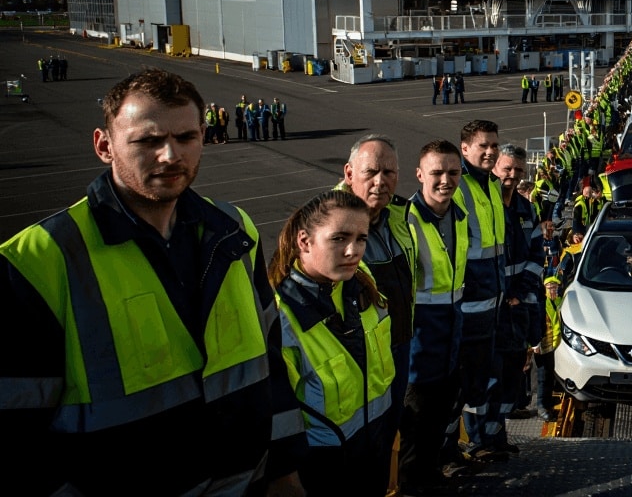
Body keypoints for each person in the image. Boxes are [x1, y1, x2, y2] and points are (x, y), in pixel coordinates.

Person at [0, 68, 305, 496]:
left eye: (186, 138)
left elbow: (270, 360)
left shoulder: (235, 231)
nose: (170, 156)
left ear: (204, 135)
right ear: (104, 146)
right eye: (148, 140)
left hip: (245, 484)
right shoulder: (38, 259)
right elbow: (15, 431)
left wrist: (284, 469)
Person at [269, 190, 396, 496]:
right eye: (339, 238)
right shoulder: (281, 317)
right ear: (304, 241)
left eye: (361, 239)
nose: (353, 251)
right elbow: (271, 418)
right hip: (323, 468)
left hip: (375, 447)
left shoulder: (363, 284)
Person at [341, 134, 416, 470]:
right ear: (349, 173)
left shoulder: (398, 218)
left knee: (385, 440)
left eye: (389, 173)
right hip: (355, 363)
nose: (380, 181)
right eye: (371, 172)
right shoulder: (327, 226)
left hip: (397, 350)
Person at [401, 139, 469, 495]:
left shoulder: (459, 215)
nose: (446, 180)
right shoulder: (406, 221)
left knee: (438, 420)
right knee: (415, 424)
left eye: (453, 172)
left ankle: (430, 477)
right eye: (437, 173)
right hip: (420, 343)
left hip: (449, 339)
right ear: (419, 175)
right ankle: (413, 486)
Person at [453, 119, 508, 460]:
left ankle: (487, 442)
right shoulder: (459, 186)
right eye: (482, 146)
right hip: (471, 306)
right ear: (465, 149)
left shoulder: (491, 184)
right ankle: (470, 444)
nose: (490, 152)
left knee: (489, 379)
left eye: (494, 146)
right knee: (470, 385)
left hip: (494, 303)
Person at [484, 143, 543, 456]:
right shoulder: (486, 207)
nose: (512, 175)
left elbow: (536, 256)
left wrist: (520, 293)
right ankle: (484, 442)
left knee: (509, 379)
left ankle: (498, 439)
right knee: (486, 381)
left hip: (516, 311)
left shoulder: (526, 209)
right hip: (489, 310)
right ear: (495, 169)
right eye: (507, 169)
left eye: (518, 170)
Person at [533, 275, 564, 420]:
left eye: (555, 288)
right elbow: (535, 324)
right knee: (542, 376)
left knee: (549, 374)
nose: (553, 291)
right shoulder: (542, 304)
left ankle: (546, 401)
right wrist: (533, 345)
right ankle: (541, 407)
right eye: (551, 288)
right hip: (542, 345)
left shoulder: (556, 302)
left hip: (553, 345)